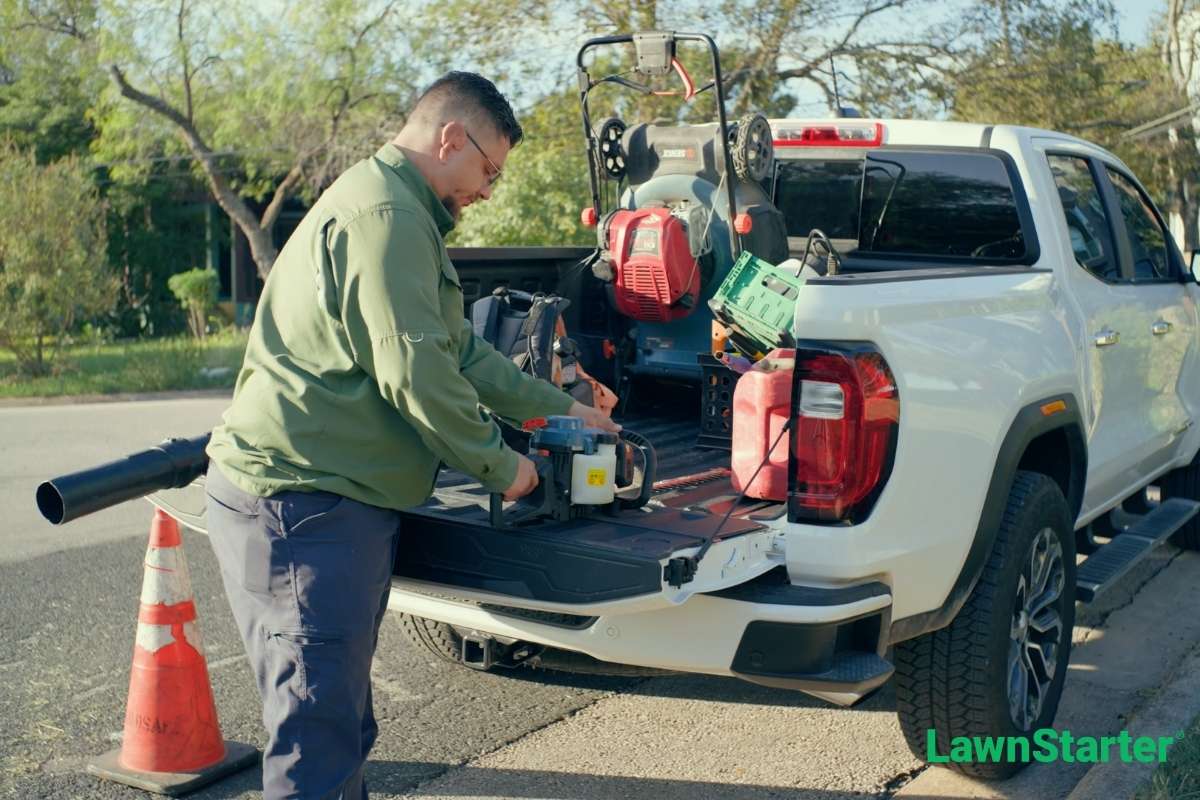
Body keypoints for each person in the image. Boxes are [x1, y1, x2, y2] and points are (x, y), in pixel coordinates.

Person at [204, 71, 618, 799]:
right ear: (449, 136)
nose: (488, 190)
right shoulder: (387, 219)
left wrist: (555, 408)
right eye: (486, 169)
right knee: (316, 743)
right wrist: (507, 470)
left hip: (322, 501)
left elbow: (456, 351)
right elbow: (416, 376)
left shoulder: (395, 207)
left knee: (335, 729)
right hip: (304, 504)